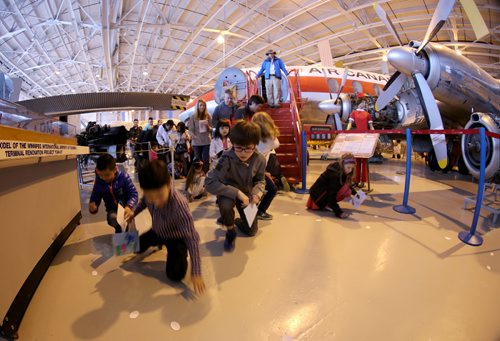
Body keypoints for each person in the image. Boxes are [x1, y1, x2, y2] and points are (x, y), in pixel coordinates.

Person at [125, 160, 205, 295]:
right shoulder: (150, 193)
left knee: (175, 275)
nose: (156, 201)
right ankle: (156, 245)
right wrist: (134, 213)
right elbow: (143, 202)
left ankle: (175, 253)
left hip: (177, 238)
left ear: (169, 182)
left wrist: (196, 271)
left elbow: (192, 239)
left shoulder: (180, 206)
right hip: (157, 231)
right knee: (131, 246)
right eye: (151, 196)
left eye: (160, 196)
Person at [206, 120, 266, 251]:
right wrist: (237, 193)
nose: (243, 153)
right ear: (232, 144)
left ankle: (236, 221)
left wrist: (257, 195)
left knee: (251, 231)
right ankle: (230, 228)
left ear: (255, 145)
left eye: (248, 148)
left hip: (249, 195)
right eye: (238, 147)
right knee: (226, 205)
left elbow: (260, 180)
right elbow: (210, 182)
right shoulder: (226, 157)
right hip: (228, 192)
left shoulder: (260, 159)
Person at [89, 154, 138, 233]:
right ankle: (120, 234)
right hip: (112, 210)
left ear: (115, 169)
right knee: (113, 218)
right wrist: (94, 205)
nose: (104, 178)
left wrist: (129, 206)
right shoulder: (99, 182)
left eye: (107, 175)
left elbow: (133, 194)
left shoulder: (124, 177)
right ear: (97, 171)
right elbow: (96, 194)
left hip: (126, 208)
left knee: (129, 223)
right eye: (101, 175)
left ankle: (129, 239)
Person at [307, 153, 357, 219]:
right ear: (342, 164)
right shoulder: (335, 175)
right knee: (346, 190)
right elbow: (332, 194)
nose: (350, 170)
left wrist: (356, 194)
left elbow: (347, 184)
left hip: (316, 195)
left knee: (347, 188)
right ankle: (327, 204)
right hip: (318, 200)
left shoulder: (338, 168)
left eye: (352, 168)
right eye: (348, 167)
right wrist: (339, 212)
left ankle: (328, 204)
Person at [252, 112, 280, 220]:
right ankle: (259, 212)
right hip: (259, 170)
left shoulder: (253, 137)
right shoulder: (271, 139)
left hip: (251, 168)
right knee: (271, 190)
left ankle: (249, 216)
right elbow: (277, 144)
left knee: (254, 191)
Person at [346, 96, 374, 188]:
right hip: (358, 139)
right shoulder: (354, 113)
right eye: (364, 103)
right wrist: (346, 133)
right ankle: (356, 180)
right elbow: (349, 124)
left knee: (364, 161)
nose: (365, 104)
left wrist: (374, 136)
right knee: (357, 161)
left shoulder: (367, 114)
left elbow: (371, 126)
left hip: (365, 138)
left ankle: (363, 181)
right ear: (360, 102)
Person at [187, 100, 212, 173]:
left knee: (206, 159)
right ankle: (197, 176)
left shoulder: (208, 116)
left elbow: (212, 129)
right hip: (196, 142)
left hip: (206, 141)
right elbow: (190, 130)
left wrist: (208, 127)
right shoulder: (193, 116)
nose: (202, 107)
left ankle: (206, 175)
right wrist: (193, 136)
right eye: (200, 105)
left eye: (204, 105)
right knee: (198, 160)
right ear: (197, 106)